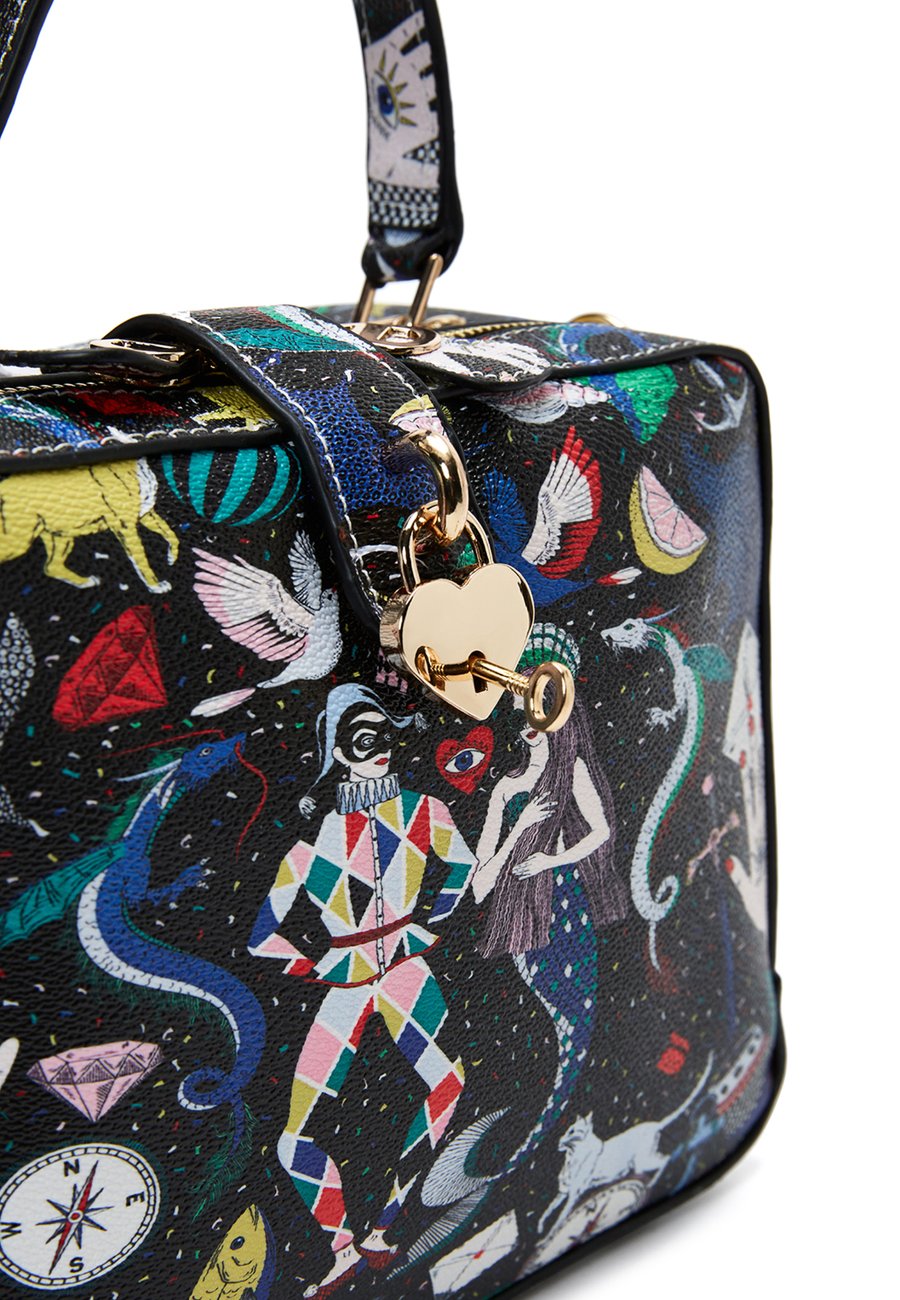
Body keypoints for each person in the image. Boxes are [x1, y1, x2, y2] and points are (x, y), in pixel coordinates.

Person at [248, 685, 477, 1298]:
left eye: (385, 735)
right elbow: (261, 935)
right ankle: (342, 1246)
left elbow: (462, 864)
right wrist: (315, 965)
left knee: (449, 1083)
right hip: (354, 982)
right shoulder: (313, 843)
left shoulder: (423, 811)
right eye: (362, 738)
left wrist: (427, 924)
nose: (380, 749)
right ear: (339, 752)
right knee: (294, 1137)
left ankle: (385, 1226)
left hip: (404, 970)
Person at [473, 647, 627, 1142]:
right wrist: (520, 828)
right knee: (537, 1015)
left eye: (537, 710)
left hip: (561, 903)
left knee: (570, 1010)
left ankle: (552, 1113)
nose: (527, 724)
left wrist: (551, 861)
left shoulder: (571, 768)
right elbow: (479, 883)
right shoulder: (505, 788)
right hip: (518, 913)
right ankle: (535, 1118)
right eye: (521, 712)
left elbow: (600, 831)